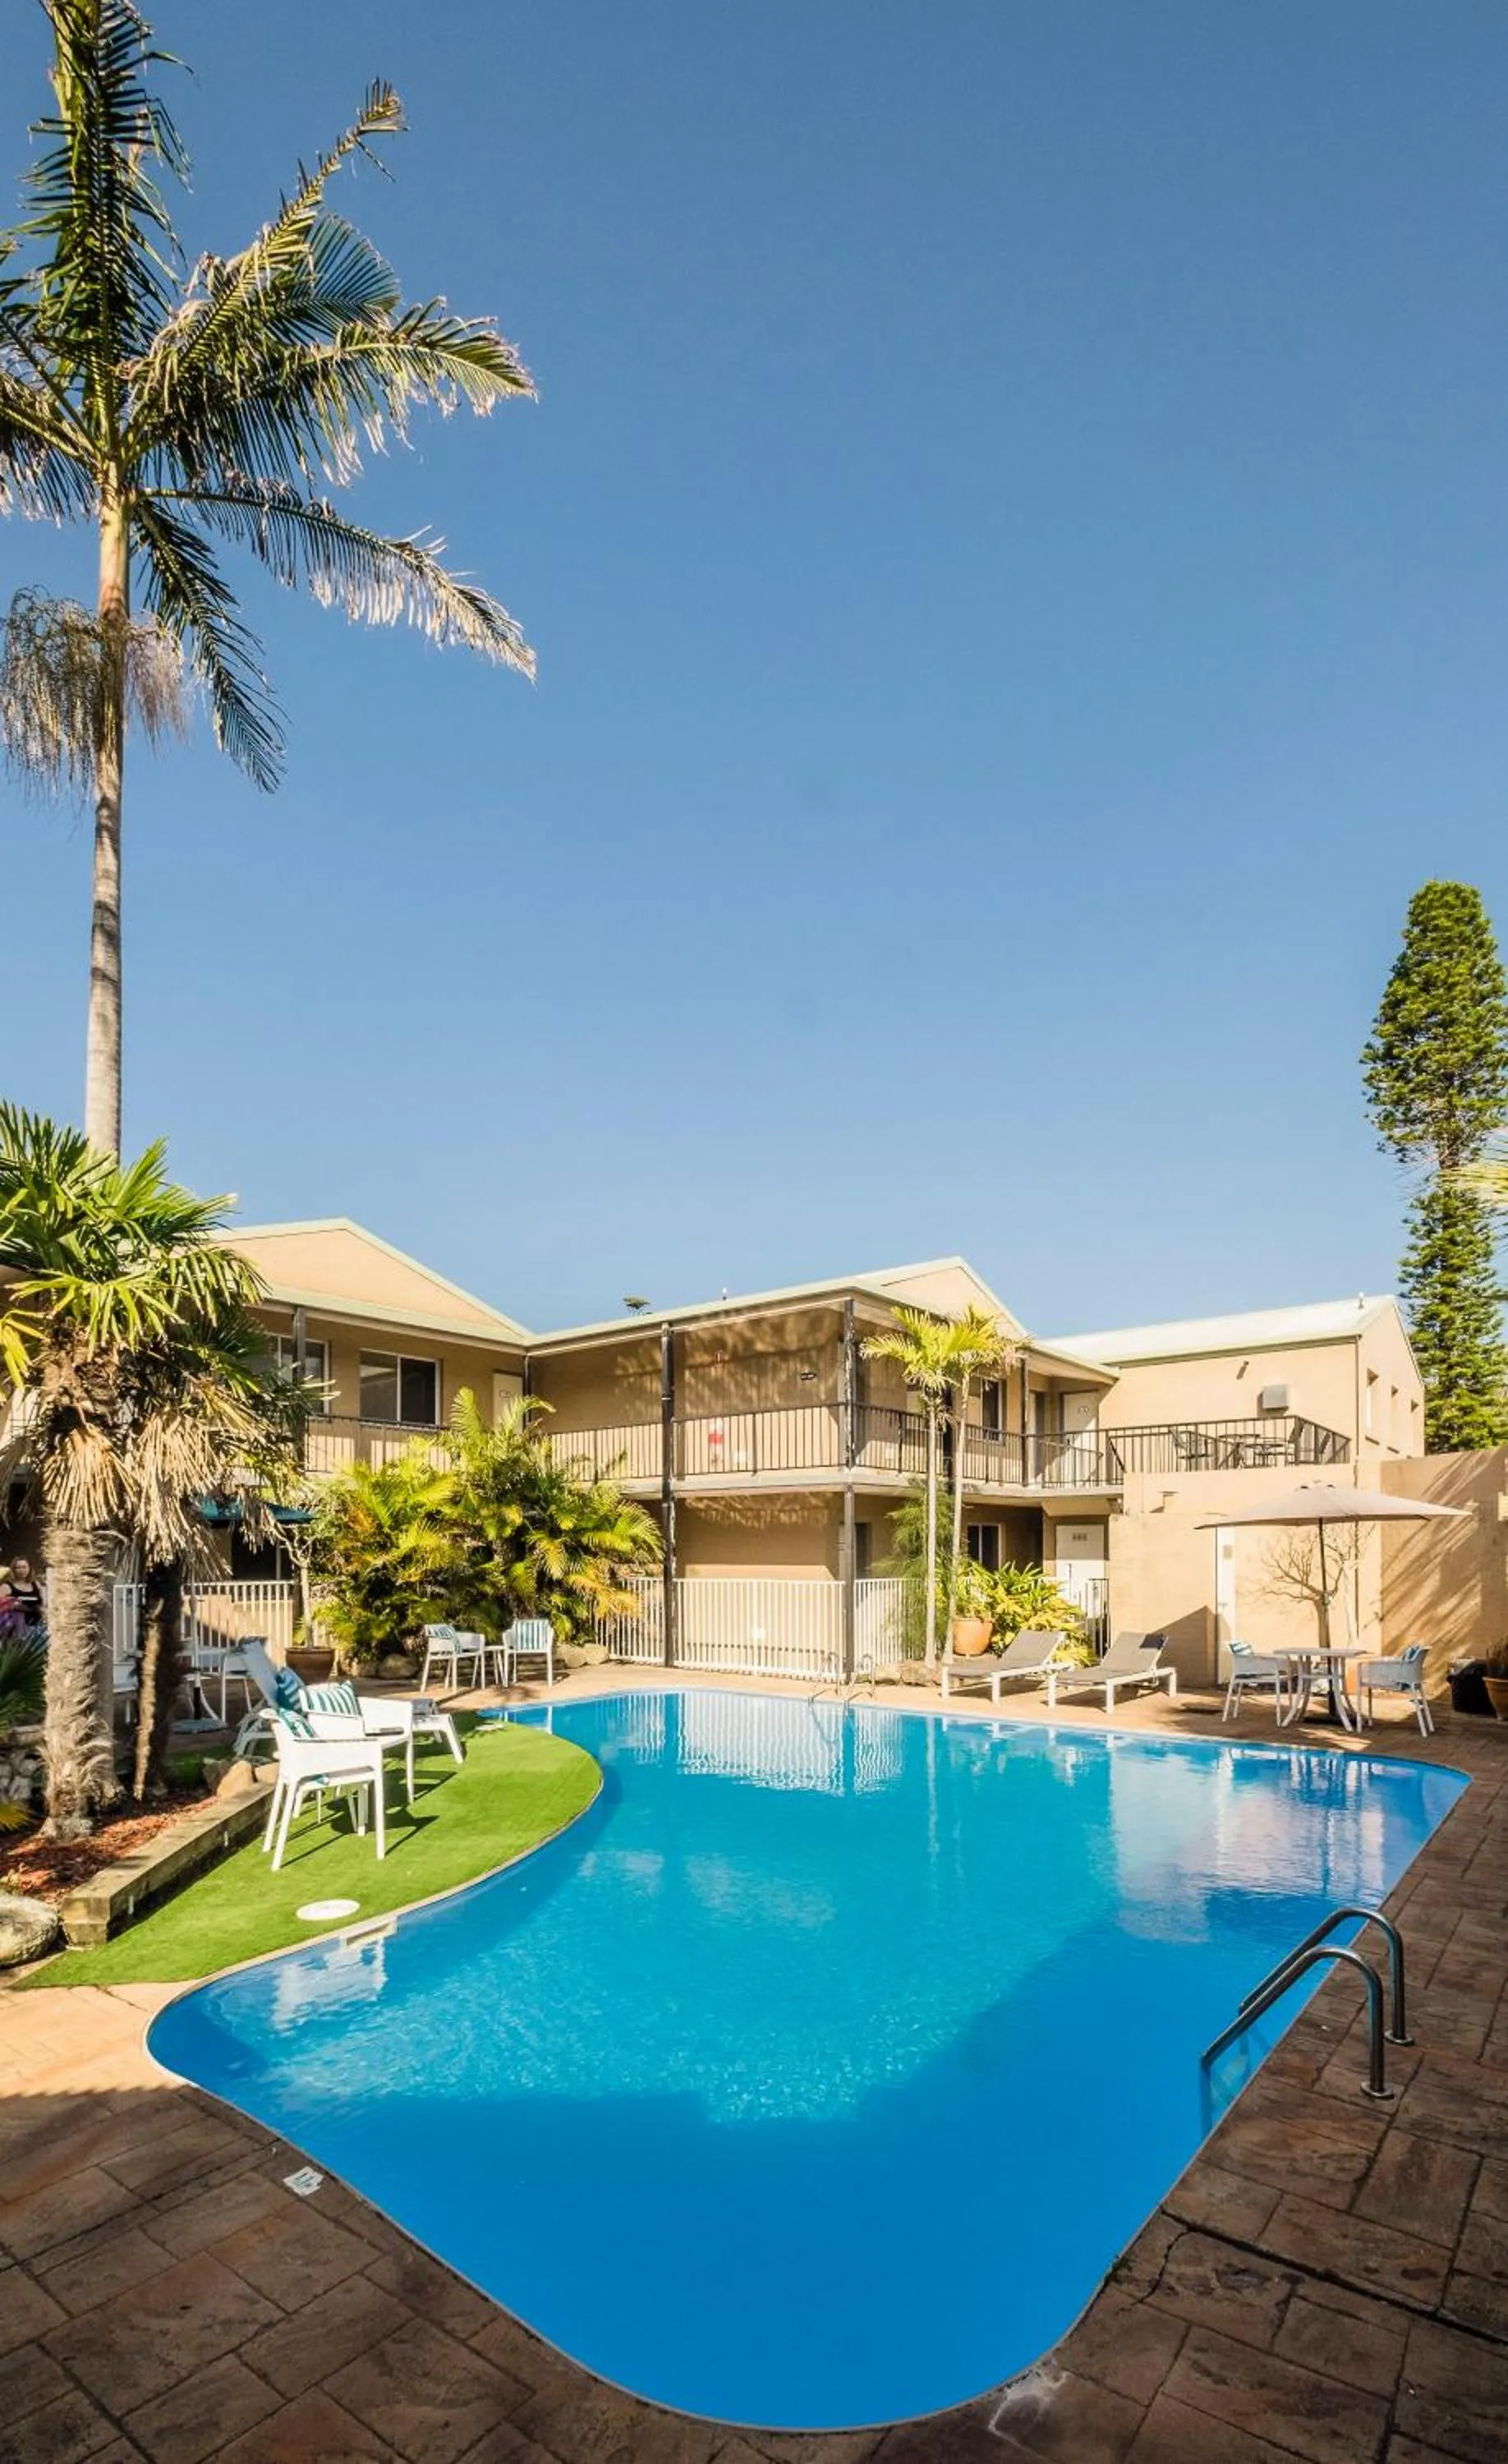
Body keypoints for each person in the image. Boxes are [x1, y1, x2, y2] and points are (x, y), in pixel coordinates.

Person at [5, 1556, 44, 1631]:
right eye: (18, 1567)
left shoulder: (36, 1585)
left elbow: (41, 1604)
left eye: (24, 1567)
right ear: (13, 1570)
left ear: (29, 1569)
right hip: (15, 1629)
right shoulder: (6, 1587)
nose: (22, 1570)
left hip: (37, 1629)